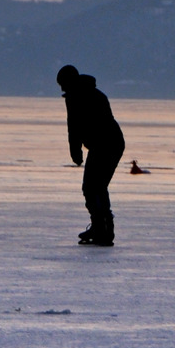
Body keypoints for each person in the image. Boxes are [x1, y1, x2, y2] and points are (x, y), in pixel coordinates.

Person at [56, 65, 125, 246]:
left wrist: (76, 151)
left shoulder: (82, 97)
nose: (61, 88)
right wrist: (77, 151)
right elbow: (75, 127)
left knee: (94, 187)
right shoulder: (84, 95)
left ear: (69, 82)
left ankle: (103, 229)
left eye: (62, 84)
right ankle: (100, 227)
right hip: (105, 144)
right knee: (95, 187)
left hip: (107, 144)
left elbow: (75, 126)